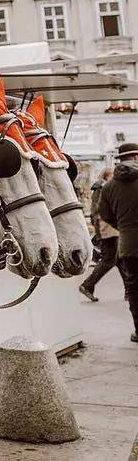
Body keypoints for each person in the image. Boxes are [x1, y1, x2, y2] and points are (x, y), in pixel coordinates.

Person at [97, 143, 138, 342]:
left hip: (129, 245)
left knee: (134, 290)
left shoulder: (109, 187)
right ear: (136, 157)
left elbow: (104, 214)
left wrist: (124, 227)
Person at [80, 166, 120, 302]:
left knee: (118, 259)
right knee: (109, 259)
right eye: (112, 175)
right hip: (107, 227)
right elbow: (97, 210)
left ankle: (130, 289)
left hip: (110, 226)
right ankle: (87, 285)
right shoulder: (102, 188)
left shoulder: (106, 188)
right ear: (106, 176)